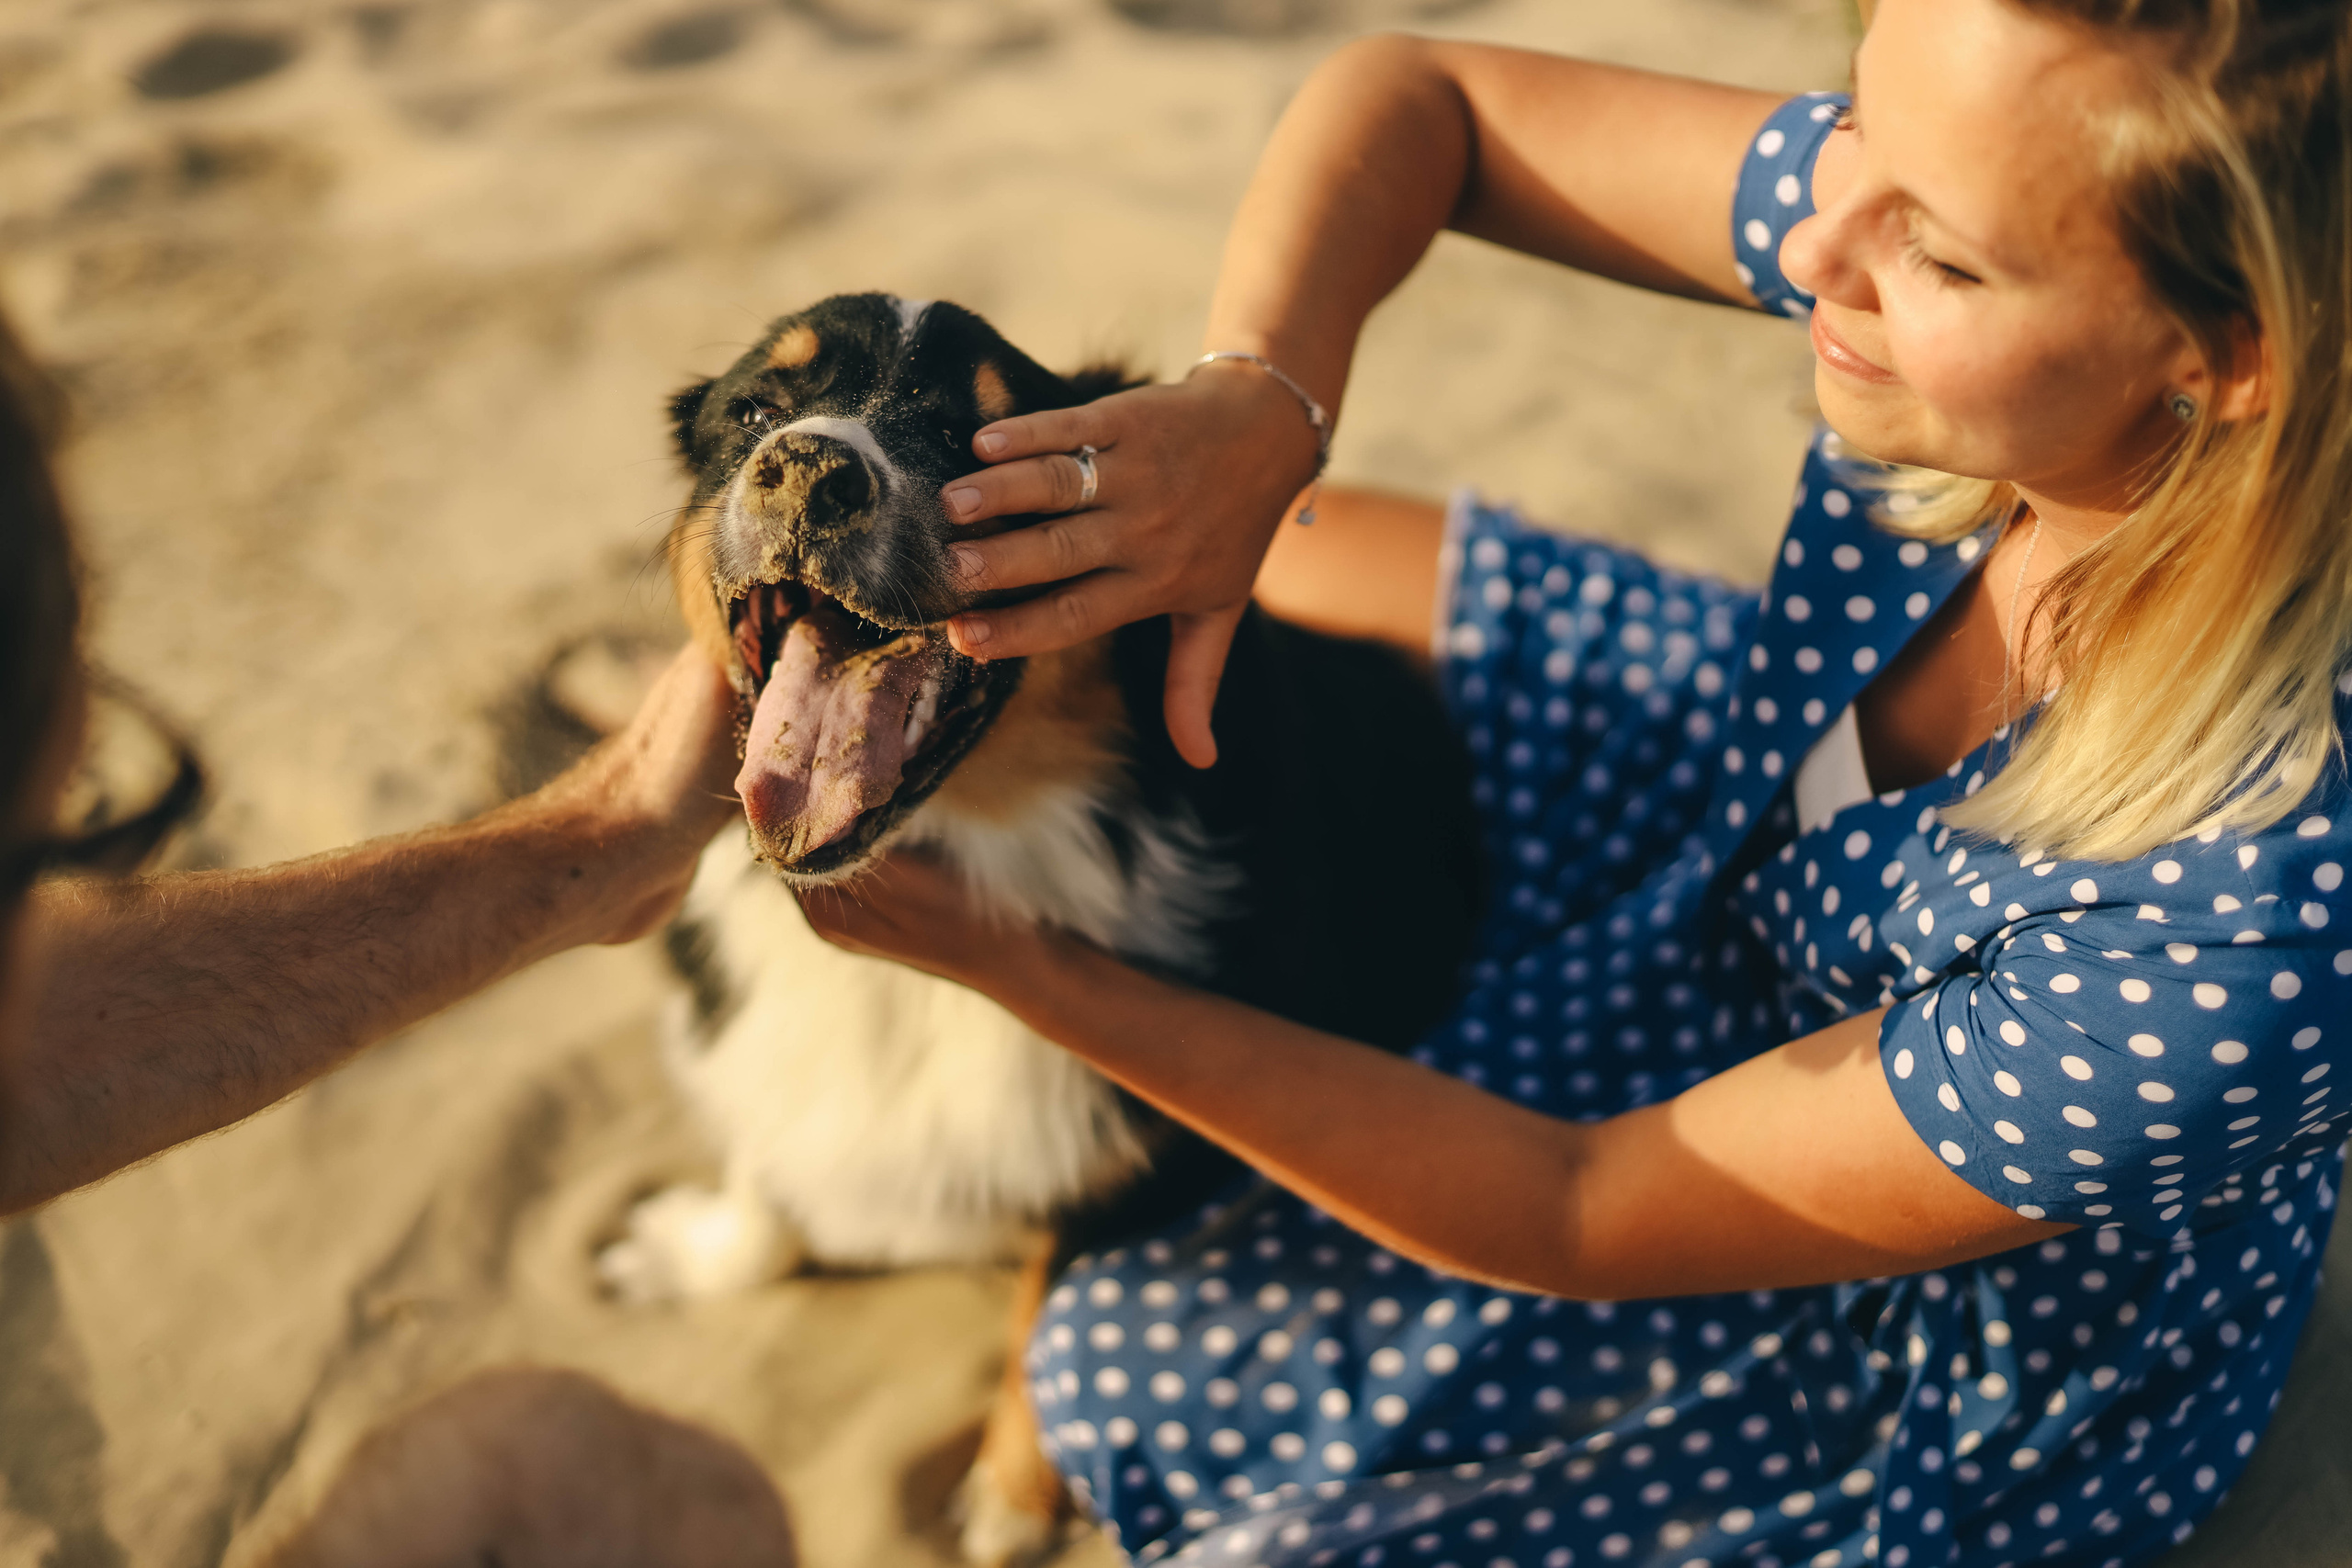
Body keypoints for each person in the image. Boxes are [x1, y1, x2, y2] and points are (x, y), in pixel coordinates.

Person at [797, 2, 2350, 1565]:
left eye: (1942, 258)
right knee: (1260, 558)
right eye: (1856, 117)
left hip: (1937, 1316)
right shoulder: (1946, 224)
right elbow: (1429, 97)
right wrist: (1263, 406)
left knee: (1123, 1381)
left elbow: (1570, 1212)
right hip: (1757, 836)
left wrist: (1012, 962)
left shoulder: (2238, 931)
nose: (1815, 249)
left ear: (2228, 358)